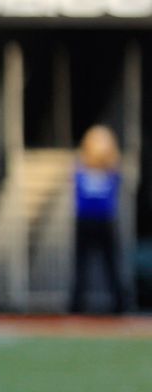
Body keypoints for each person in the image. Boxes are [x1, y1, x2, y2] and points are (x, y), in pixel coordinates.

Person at [70, 124, 128, 314]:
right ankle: (77, 306)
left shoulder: (112, 169)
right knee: (81, 266)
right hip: (84, 221)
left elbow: (116, 179)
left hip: (105, 221)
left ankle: (119, 305)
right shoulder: (81, 167)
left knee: (111, 264)